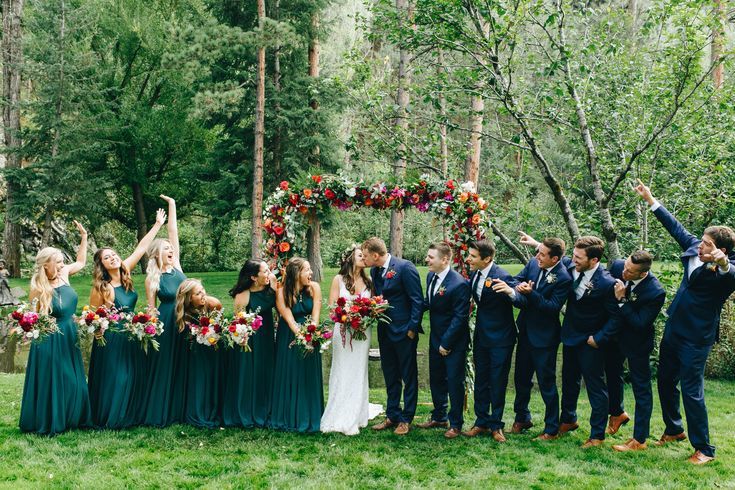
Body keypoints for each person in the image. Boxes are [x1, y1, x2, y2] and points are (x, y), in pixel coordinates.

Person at [635, 180, 735, 464]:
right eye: (702, 241)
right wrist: (651, 200)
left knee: (692, 391)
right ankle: (674, 429)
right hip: (674, 329)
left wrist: (724, 264)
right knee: (665, 381)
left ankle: (705, 449)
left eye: (708, 244)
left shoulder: (726, 270)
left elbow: (731, 274)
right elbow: (675, 227)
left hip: (696, 337)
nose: (701, 245)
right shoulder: (694, 248)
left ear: (721, 250)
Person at [87, 208, 166, 429]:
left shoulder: (126, 271)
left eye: (113, 254)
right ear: (102, 264)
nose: (112, 258)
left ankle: (131, 415)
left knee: (134, 374)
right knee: (117, 377)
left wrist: (158, 225)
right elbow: (92, 315)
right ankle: (111, 417)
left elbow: (142, 247)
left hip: (132, 333)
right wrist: (98, 330)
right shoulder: (101, 287)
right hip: (112, 337)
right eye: (106, 257)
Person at [492, 235, 572, 440]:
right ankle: (522, 418)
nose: (537, 256)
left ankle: (551, 428)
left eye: (542, 254)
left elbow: (552, 307)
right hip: (525, 331)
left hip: (545, 337)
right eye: (538, 251)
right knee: (521, 378)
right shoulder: (533, 264)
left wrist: (531, 293)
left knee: (546, 382)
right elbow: (517, 279)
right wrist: (518, 287)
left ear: (555, 259)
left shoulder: (563, 278)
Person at [19, 221, 92, 435]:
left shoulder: (65, 274)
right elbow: (32, 317)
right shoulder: (38, 287)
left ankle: (72, 417)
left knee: (74, 380)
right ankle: (52, 418)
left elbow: (81, 261)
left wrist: (84, 237)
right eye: (57, 262)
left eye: (62, 261)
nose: (61, 265)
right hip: (50, 338)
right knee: (58, 379)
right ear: (46, 265)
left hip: (70, 334)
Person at [558, 236, 620, 448]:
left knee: (595, 387)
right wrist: (536, 244)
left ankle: (597, 435)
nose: (573, 260)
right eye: (573, 255)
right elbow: (559, 257)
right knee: (568, 381)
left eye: (578, 257)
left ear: (594, 260)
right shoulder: (572, 267)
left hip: (591, 341)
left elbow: (615, 317)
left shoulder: (607, 283)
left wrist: (599, 338)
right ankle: (568, 420)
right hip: (570, 336)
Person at [362, 237, 424, 435]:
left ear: (375, 255)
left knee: (408, 375)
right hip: (385, 331)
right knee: (390, 374)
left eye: (365, 256)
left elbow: (417, 300)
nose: (363, 260)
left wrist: (412, 328)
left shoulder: (405, 267)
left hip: (404, 331)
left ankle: (406, 419)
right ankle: (392, 415)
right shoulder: (374, 271)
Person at [605, 251, 666, 452]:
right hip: (614, 336)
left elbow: (640, 323)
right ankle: (617, 413)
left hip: (637, 343)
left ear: (642, 274)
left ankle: (639, 439)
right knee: (612, 375)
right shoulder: (619, 266)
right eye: (625, 267)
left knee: (642, 389)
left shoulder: (655, 292)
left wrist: (622, 300)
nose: (623, 272)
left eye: (629, 272)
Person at [321, 245, 384, 435]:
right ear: (350, 258)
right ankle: (338, 411)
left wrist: (364, 318)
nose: (364, 259)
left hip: (362, 332)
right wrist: (345, 316)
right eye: (360, 255)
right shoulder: (338, 280)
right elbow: (332, 307)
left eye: (365, 257)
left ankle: (356, 414)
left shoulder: (370, 281)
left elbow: (373, 306)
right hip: (342, 331)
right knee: (342, 368)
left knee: (358, 370)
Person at [140, 195, 188, 427]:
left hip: (187, 318)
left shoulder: (177, 265)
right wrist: (151, 330)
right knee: (167, 366)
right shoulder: (153, 279)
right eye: (166, 249)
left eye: (171, 249)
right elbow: (151, 308)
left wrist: (172, 204)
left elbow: (173, 232)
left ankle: (183, 409)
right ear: (158, 253)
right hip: (167, 323)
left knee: (186, 363)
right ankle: (164, 410)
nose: (170, 250)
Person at [463, 239, 516, 443]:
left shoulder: (501, 276)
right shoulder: (475, 274)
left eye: (473, 256)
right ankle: (481, 421)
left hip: (502, 338)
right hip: (482, 337)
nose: (469, 259)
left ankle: (496, 425)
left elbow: (519, 299)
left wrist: (512, 292)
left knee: (497, 381)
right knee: (482, 380)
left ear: (487, 259)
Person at [415, 242, 470, 439]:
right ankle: (439, 416)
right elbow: (428, 302)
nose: (427, 260)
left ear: (445, 260)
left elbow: (459, 317)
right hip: (435, 337)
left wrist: (446, 343)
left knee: (454, 382)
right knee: (436, 378)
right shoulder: (431, 276)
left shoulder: (460, 284)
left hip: (453, 341)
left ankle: (456, 423)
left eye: (431, 257)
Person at [222, 259, 278, 428]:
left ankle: (266, 409)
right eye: (266, 271)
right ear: (254, 277)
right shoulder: (243, 295)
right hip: (249, 340)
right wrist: (243, 337)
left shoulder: (272, 287)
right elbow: (237, 322)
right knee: (248, 374)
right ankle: (245, 411)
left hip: (267, 337)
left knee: (265, 371)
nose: (270, 274)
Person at [270, 258, 324, 432]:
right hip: (290, 337)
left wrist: (311, 333)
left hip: (310, 333)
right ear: (296, 273)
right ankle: (290, 415)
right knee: (291, 372)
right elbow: (289, 319)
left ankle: (311, 413)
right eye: (307, 270)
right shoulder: (281, 292)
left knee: (307, 374)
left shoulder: (314, 288)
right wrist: (301, 337)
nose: (311, 273)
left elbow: (315, 315)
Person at [175, 279, 223, 428]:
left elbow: (220, 327)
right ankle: (196, 410)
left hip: (213, 348)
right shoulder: (183, 312)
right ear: (189, 298)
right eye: (198, 293)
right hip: (194, 351)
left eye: (203, 290)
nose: (203, 294)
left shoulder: (213, 303)